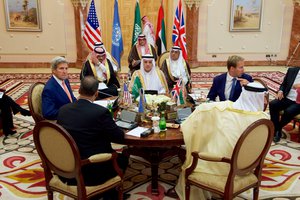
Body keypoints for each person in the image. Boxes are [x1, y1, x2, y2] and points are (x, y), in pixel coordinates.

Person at [169, 82, 269, 200]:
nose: (265, 102)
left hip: (225, 167)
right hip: (247, 167)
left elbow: (203, 111)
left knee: (195, 157)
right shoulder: (264, 119)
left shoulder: (224, 111)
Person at [57, 76, 128, 198]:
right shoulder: (100, 112)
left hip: (66, 168)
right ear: (96, 93)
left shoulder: (63, 110)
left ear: (79, 90)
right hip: (91, 171)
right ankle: (111, 194)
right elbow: (118, 137)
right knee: (124, 156)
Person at [269, 67, 300, 142]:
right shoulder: (292, 70)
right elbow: (284, 83)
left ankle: (277, 129)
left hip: (299, 101)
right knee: (273, 104)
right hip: (287, 97)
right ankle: (276, 129)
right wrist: (281, 91)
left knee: (289, 111)